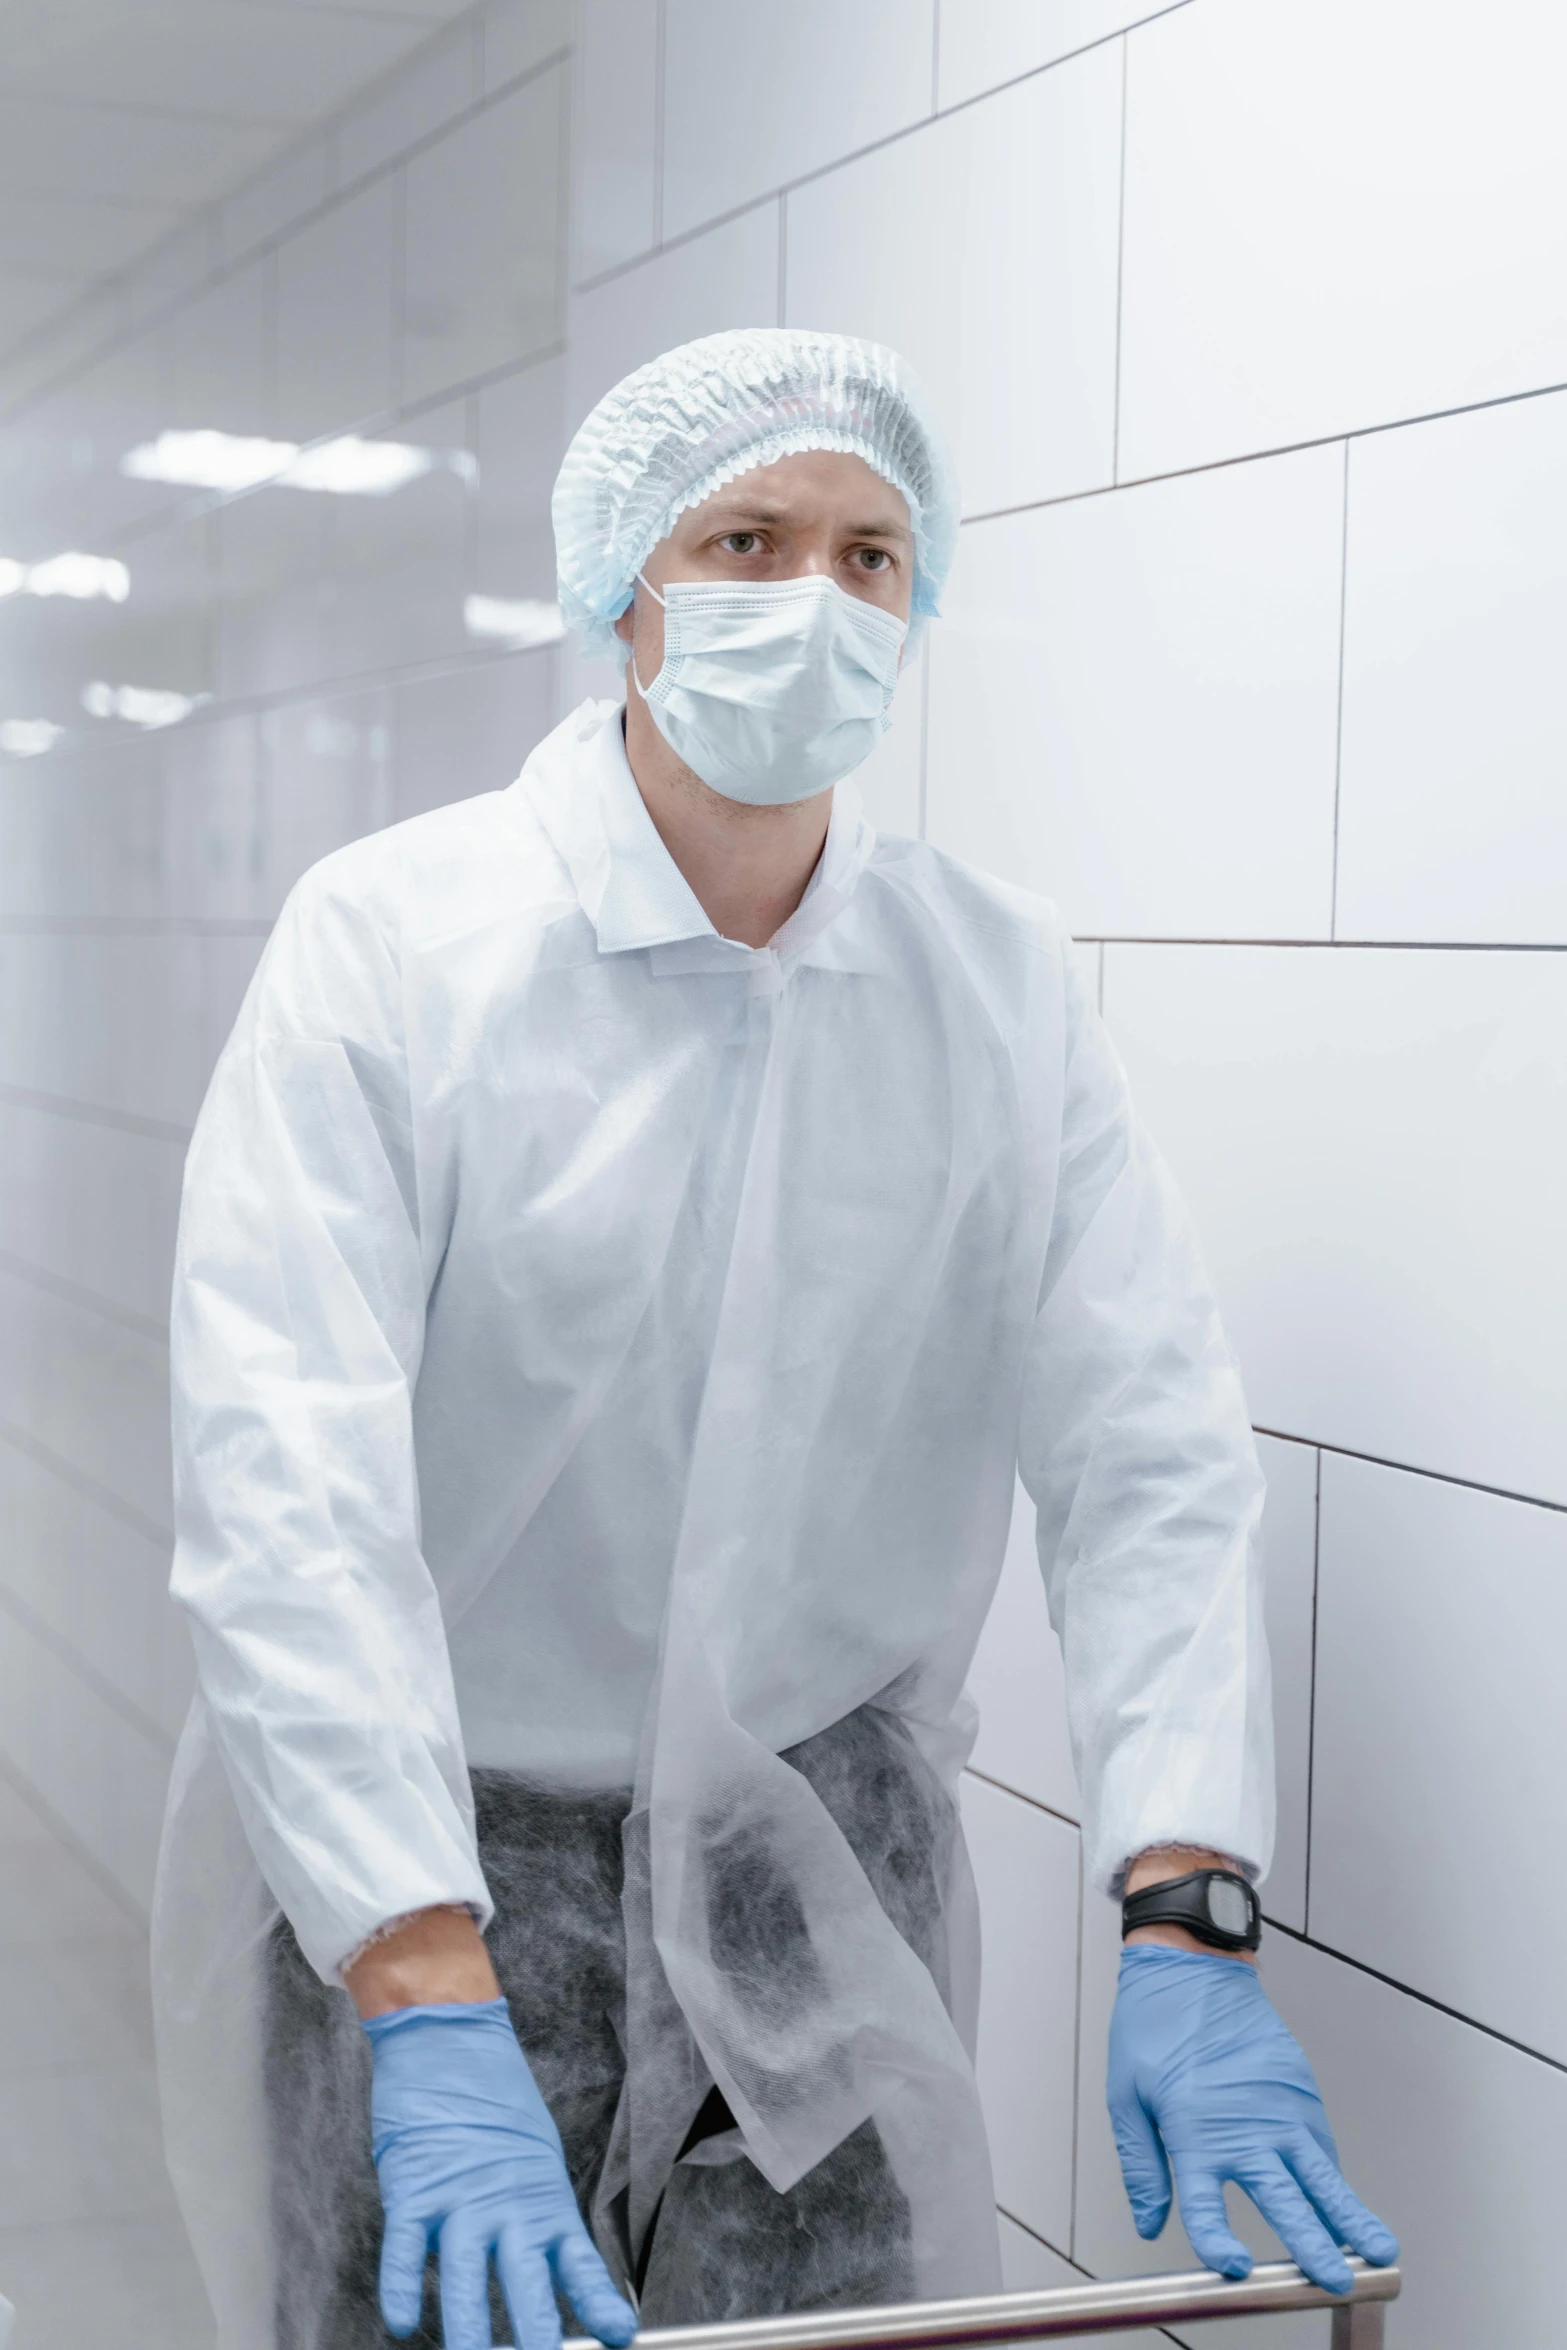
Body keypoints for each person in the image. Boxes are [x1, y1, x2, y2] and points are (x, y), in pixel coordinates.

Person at [153, 329, 1397, 2350]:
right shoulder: (397, 952)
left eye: (872, 555)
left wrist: (1187, 1897)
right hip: (436, 1879)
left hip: (821, 1888)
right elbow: (289, 1495)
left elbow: (1145, 1447)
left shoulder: (988, 990)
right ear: (620, 586)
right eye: (748, 537)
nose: (815, 598)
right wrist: (417, 1972)